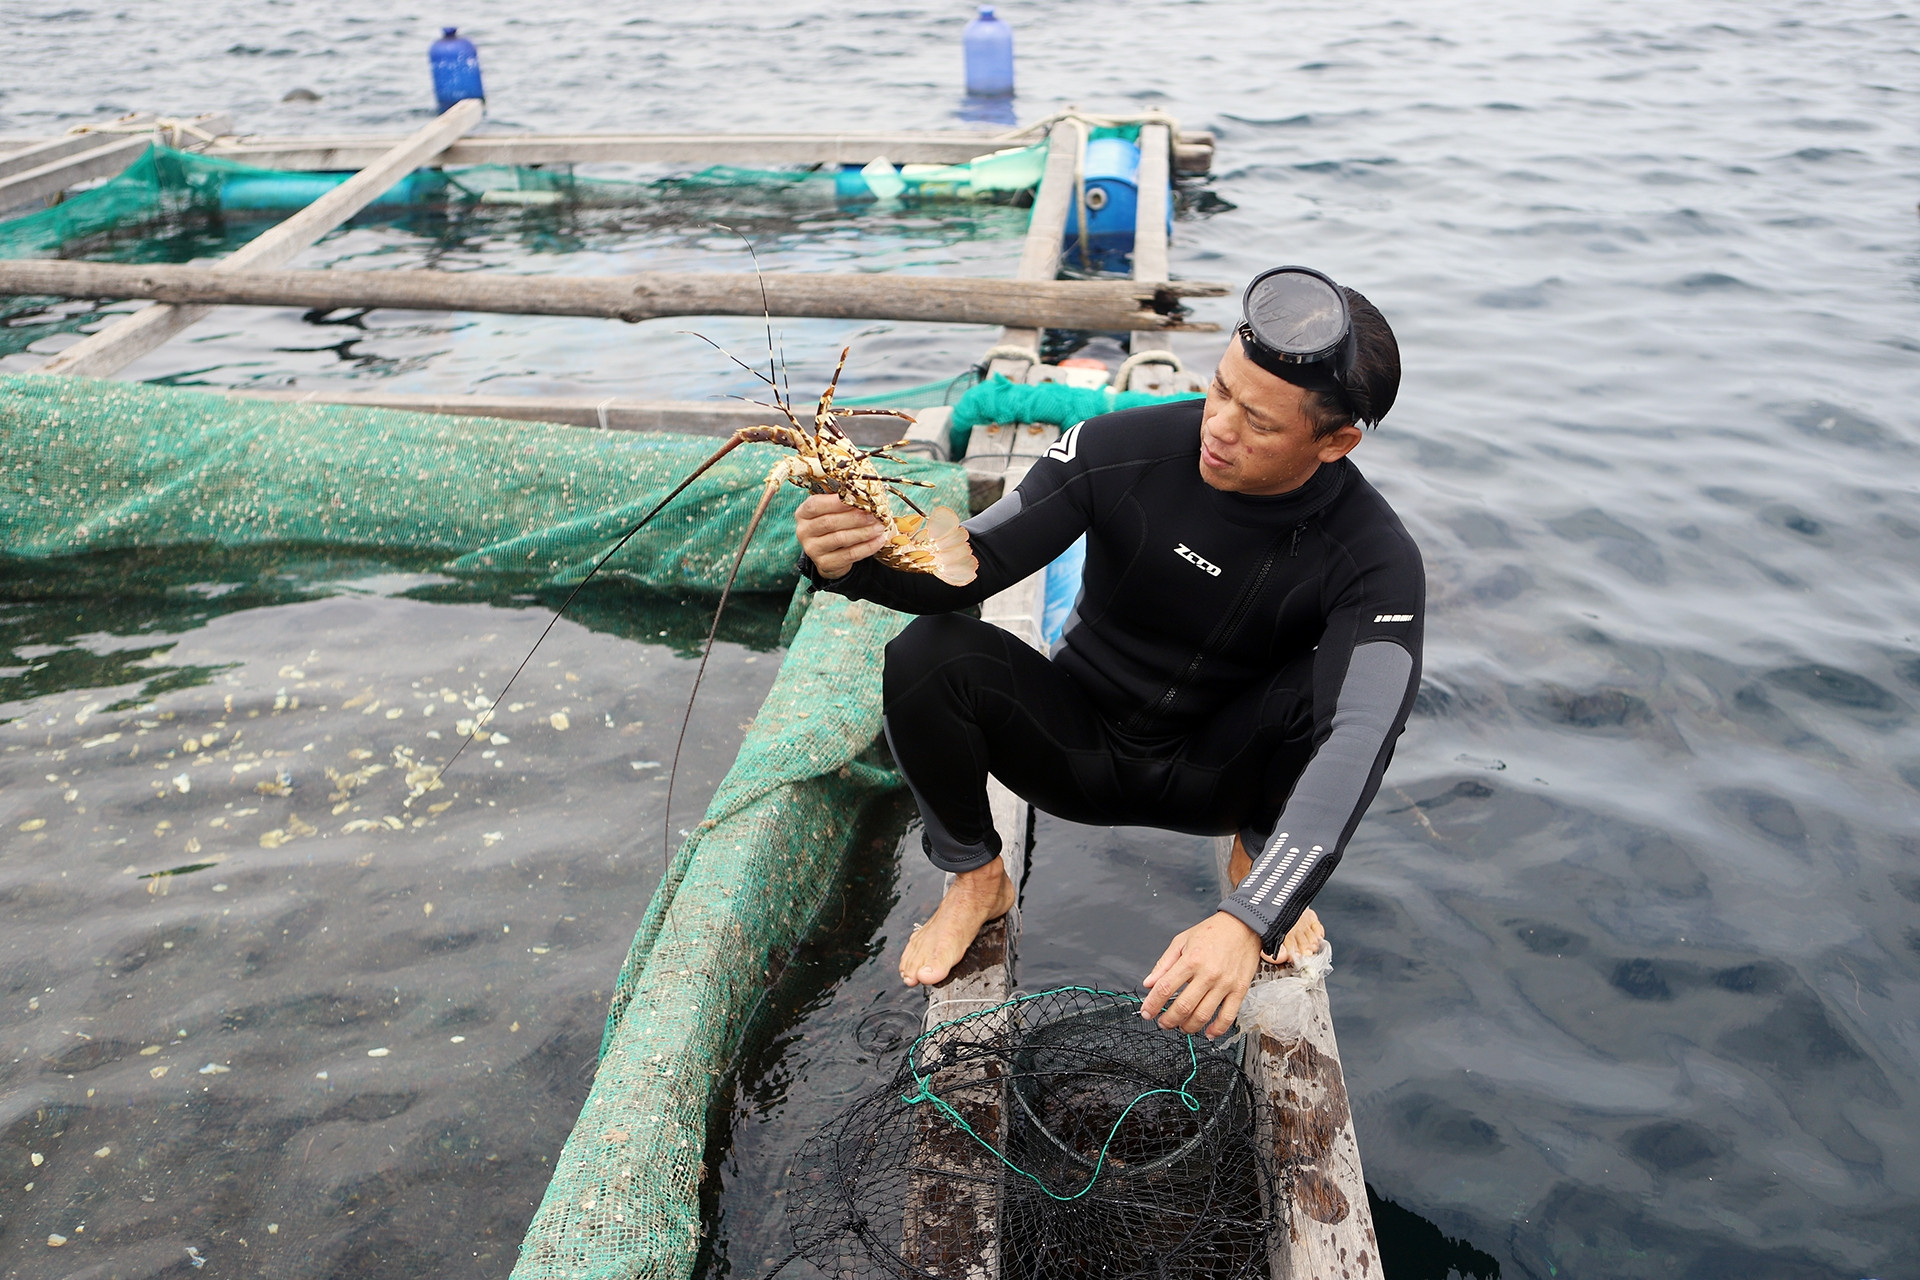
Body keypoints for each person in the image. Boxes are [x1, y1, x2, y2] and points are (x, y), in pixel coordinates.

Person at [794, 266, 1423, 1040]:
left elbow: (1360, 742)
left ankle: (1256, 864)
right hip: (1075, 744)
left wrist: (1254, 917)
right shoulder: (1120, 446)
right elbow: (971, 569)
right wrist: (850, 561)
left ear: (1337, 442)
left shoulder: (1376, 557)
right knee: (930, 651)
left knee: (1342, 701)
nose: (1219, 426)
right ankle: (975, 878)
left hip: (1221, 777)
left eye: (1258, 422)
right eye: (1220, 389)